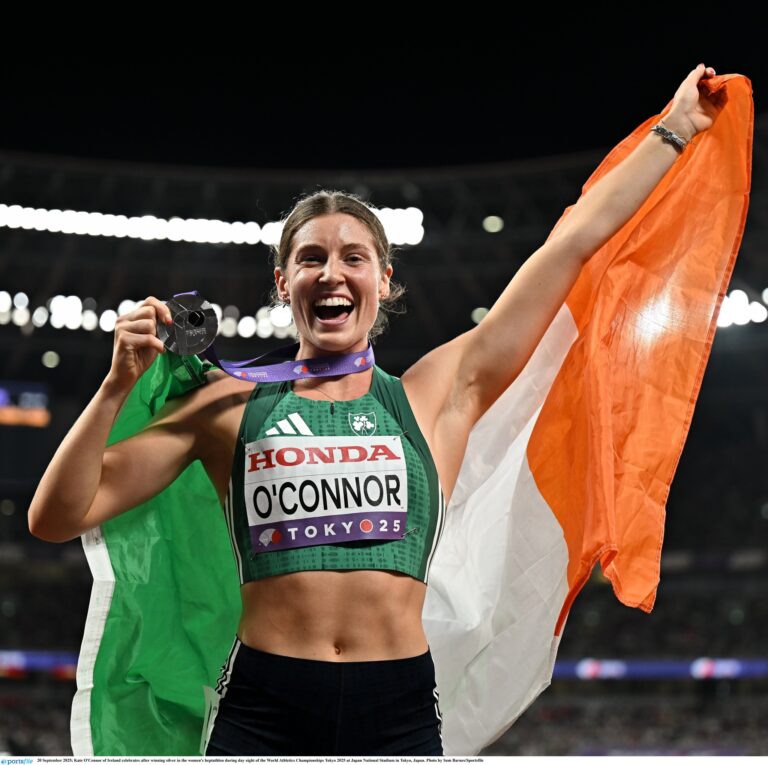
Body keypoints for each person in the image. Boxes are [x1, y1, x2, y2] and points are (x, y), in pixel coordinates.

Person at [28, 64, 724, 756]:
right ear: (284, 283)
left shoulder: (438, 393)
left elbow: (570, 244)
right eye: (310, 259)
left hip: (397, 711)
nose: (332, 272)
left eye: (353, 257)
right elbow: (56, 515)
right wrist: (115, 385)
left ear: (383, 279)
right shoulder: (227, 406)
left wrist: (672, 130)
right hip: (263, 706)